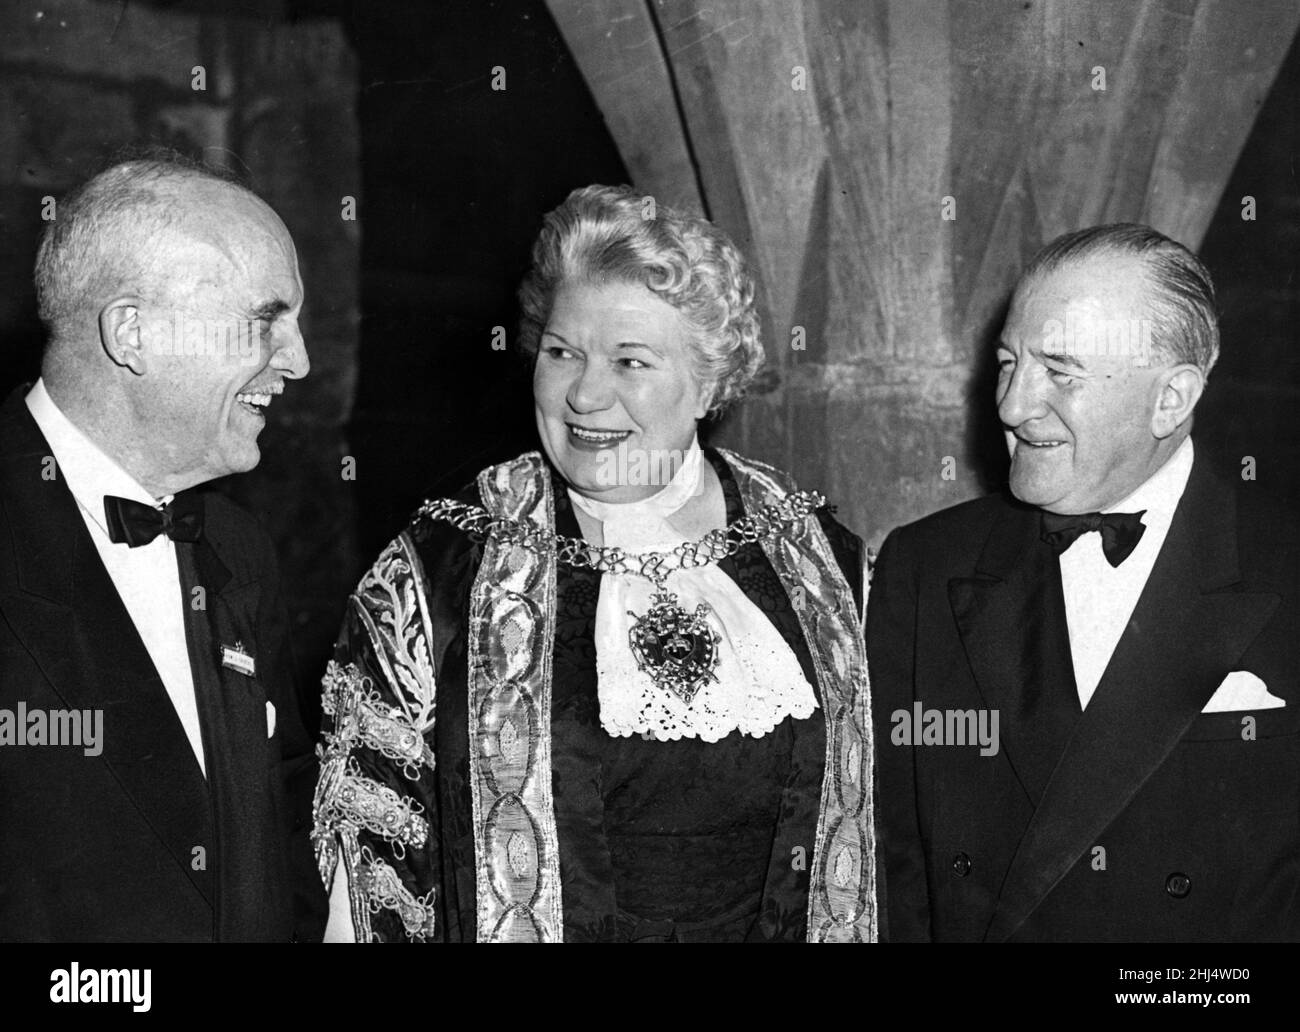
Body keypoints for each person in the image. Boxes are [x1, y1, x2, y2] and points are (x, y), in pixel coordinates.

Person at [313, 184, 877, 942]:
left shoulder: (821, 560)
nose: (585, 394)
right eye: (561, 353)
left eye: (630, 361)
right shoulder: (440, 570)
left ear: (709, 381)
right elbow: (366, 886)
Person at [868, 223, 1298, 942]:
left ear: (1171, 399)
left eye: (1059, 372)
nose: (1011, 405)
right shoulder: (926, 565)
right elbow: (894, 860)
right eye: (1009, 362)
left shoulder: (1283, 568)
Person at [0, 154, 326, 941]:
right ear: (133, 333)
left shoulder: (236, 548)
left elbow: (285, 821)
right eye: (265, 320)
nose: (298, 360)